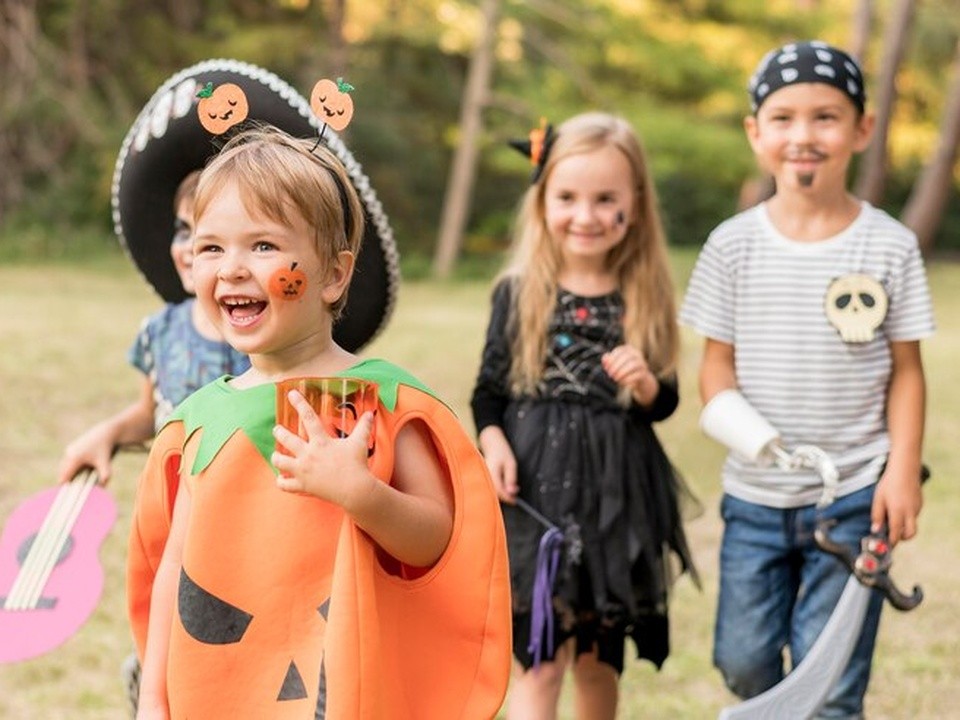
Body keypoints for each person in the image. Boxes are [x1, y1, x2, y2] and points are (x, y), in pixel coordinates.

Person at [128, 127, 511, 720]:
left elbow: (438, 539)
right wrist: (154, 699)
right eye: (211, 248)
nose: (231, 269)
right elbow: (178, 574)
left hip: (345, 689)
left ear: (333, 276)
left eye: (262, 246)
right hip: (226, 694)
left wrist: (363, 495)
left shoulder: (381, 400)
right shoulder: (198, 423)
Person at [680, 41, 935, 718]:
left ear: (862, 129)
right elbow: (715, 364)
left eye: (826, 117)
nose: (804, 136)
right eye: (784, 117)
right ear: (755, 132)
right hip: (757, 497)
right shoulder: (732, 245)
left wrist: (901, 469)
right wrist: (751, 433)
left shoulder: (888, 245)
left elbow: (907, 372)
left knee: (834, 682)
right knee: (745, 663)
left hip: (855, 495)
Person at [471, 111, 699, 720]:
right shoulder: (519, 291)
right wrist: (492, 441)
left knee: (599, 663)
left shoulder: (643, 291)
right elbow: (487, 392)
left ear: (635, 203)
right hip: (535, 492)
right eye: (568, 197)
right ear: (543, 198)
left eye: (606, 199)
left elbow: (666, 401)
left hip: (615, 496)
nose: (586, 215)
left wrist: (648, 385)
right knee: (539, 657)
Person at [56, 170, 250, 485]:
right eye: (183, 231)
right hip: (171, 505)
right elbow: (152, 413)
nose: (190, 248)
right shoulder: (160, 332)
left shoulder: (266, 335)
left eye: (210, 239)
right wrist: (108, 433)